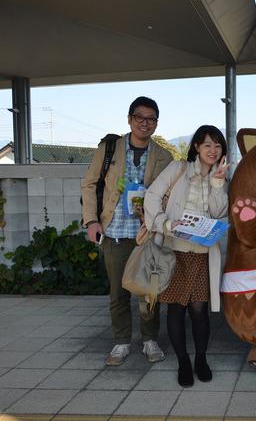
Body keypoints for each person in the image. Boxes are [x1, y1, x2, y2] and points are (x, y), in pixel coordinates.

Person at [81, 96, 173, 366]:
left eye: (151, 119)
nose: (145, 123)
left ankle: (149, 339)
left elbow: (168, 194)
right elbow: (89, 184)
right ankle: (121, 342)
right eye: (140, 117)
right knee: (118, 292)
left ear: (156, 123)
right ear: (130, 119)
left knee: (149, 291)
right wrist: (91, 221)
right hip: (115, 231)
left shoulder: (163, 156)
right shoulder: (109, 149)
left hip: (146, 233)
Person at [144, 125, 229, 387]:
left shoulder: (221, 176)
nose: (213, 150)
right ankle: (183, 361)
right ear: (196, 147)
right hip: (174, 250)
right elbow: (152, 196)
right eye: (207, 145)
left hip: (202, 252)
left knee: (200, 309)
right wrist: (165, 224)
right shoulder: (178, 169)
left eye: (217, 146)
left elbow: (219, 213)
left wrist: (217, 185)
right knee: (176, 309)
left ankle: (200, 358)